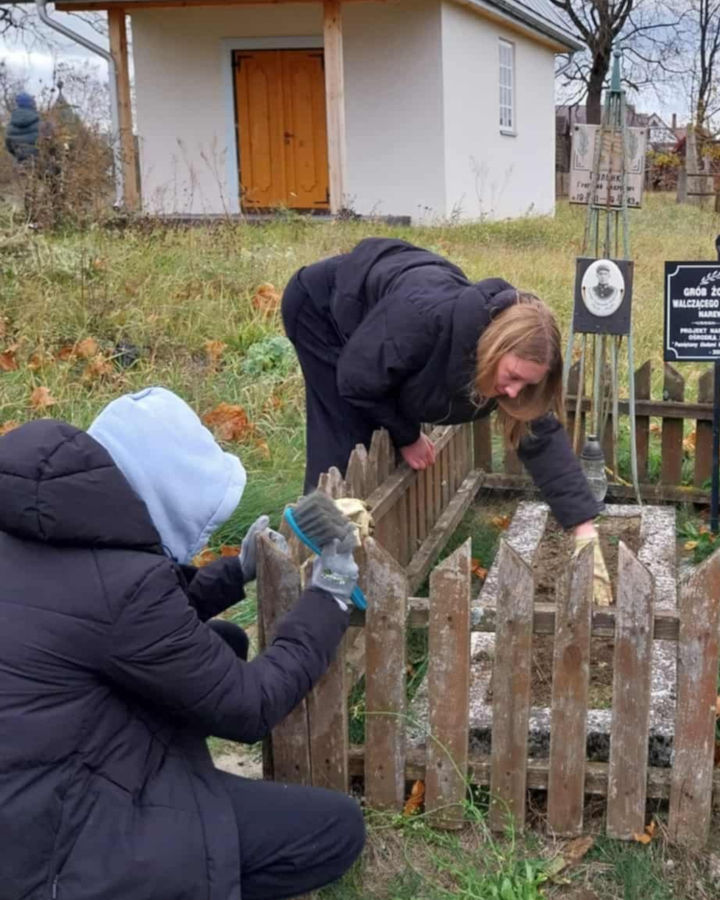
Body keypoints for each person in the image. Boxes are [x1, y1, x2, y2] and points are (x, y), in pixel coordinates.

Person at [0, 387, 366, 900]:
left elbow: (111, 625)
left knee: (223, 640)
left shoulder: (32, 515)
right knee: (336, 829)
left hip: (31, 765)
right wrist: (328, 599)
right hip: (50, 839)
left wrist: (234, 573)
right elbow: (248, 705)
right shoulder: (123, 586)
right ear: (163, 496)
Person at [282, 237, 612, 602]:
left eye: (527, 383)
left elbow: (540, 435)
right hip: (322, 309)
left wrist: (584, 529)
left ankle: (351, 551)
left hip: (381, 327)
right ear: (494, 349)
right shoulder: (423, 319)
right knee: (348, 436)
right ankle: (320, 550)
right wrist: (407, 436)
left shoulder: (490, 354)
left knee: (377, 428)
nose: (516, 392)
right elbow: (357, 379)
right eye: (514, 377)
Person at [4, 91, 40, 164]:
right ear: (31, 104)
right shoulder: (42, 124)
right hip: (40, 166)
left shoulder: (10, 127)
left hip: (19, 167)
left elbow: (9, 147)